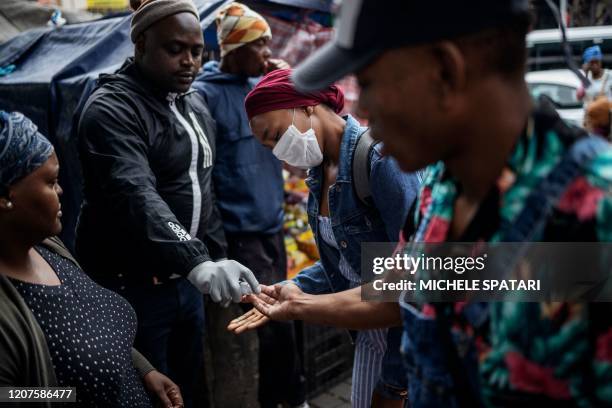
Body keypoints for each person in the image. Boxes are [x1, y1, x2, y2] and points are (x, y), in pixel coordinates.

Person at [240, 1, 612, 407]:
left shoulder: (595, 212)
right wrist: (302, 300)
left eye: (371, 82)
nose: (362, 108)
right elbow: (413, 281)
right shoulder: (441, 190)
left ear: (445, 70)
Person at [75, 0, 260, 406]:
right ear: (140, 45)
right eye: (174, 49)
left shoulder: (193, 103)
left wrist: (217, 259)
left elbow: (203, 187)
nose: (189, 62)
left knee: (190, 387)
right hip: (132, 291)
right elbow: (135, 192)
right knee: (146, 395)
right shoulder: (111, 109)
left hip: (186, 288)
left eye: (196, 51)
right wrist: (198, 262)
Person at [230, 68, 421, 407]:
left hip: (405, 348)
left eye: (275, 135)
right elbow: (349, 260)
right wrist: (297, 286)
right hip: (369, 335)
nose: (278, 152)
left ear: (305, 105)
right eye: (268, 147)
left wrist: (395, 384)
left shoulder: (380, 160)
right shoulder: (319, 173)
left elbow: (418, 285)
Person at [0, 110, 184, 407]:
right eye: (50, 182)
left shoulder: (48, 248)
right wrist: (77, 393)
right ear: (5, 196)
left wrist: (139, 370)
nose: (61, 190)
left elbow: (89, 324)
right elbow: (10, 394)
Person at [192, 3, 305, 407]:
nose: (265, 53)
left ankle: (289, 395)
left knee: (287, 318)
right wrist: (219, 244)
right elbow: (205, 177)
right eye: (258, 45)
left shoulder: (258, 86)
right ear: (233, 48)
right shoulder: (204, 96)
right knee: (270, 324)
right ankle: (286, 400)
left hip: (271, 225)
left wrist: (276, 75)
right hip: (242, 236)